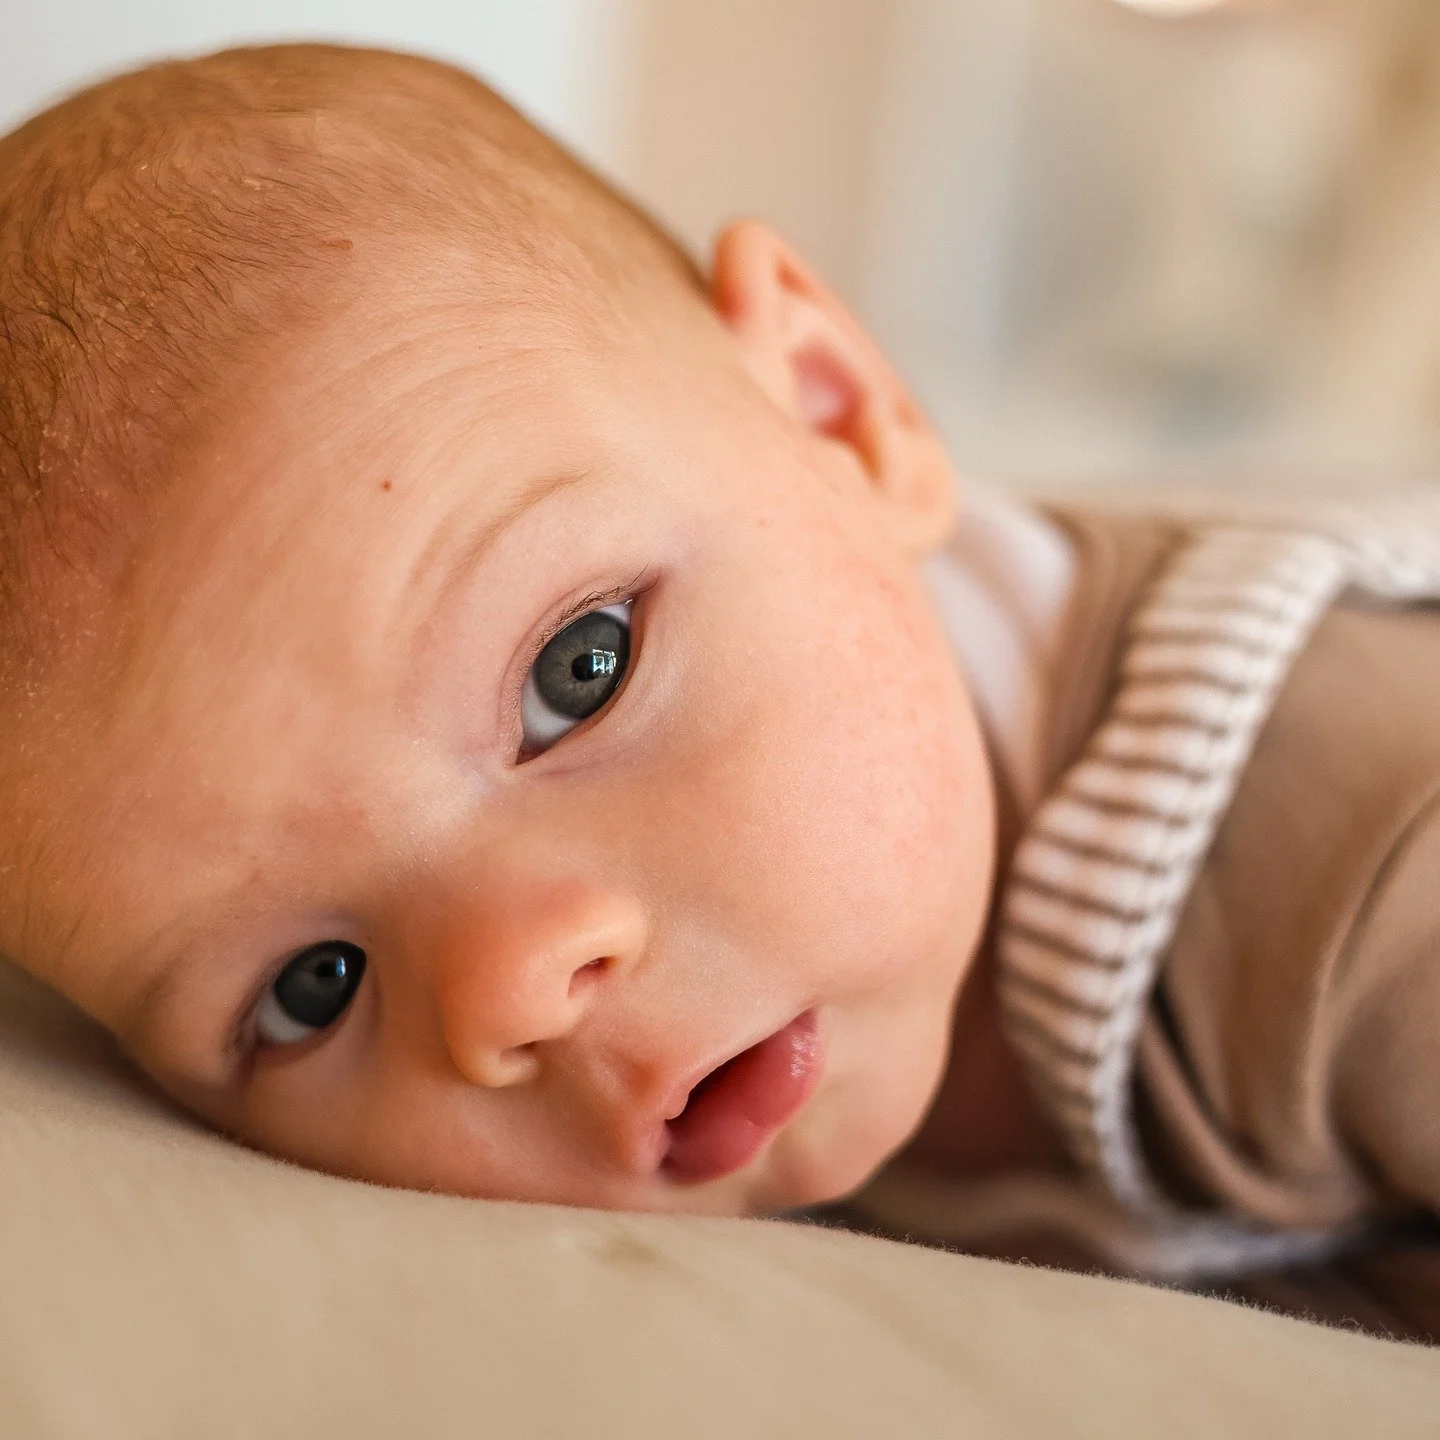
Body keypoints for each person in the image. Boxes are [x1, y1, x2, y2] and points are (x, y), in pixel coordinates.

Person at [3, 44, 1439, 1336]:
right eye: (312, 989)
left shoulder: (1356, 845)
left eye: (580, 672)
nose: (515, 987)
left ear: (836, 410)